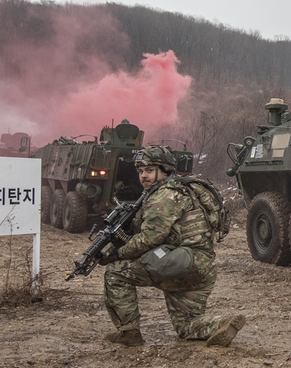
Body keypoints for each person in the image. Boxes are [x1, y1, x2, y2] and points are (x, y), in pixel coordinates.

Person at [100, 146, 245, 347]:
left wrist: (117, 254)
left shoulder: (164, 196)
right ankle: (223, 323)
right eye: (140, 171)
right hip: (203, 267)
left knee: (115, 273)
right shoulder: (186, 188)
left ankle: (129, 333)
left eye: (149, 170)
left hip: (180, 263)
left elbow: (149, 239)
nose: (143, 176)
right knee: (186, 326)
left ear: (164, 170)